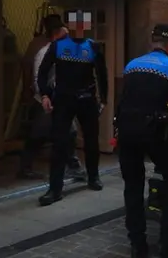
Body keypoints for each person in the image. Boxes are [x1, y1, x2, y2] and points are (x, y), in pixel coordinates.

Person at [115, 24, 168, 258]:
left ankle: (138, 245)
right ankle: (167, 244)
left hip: (127, 131)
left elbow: (124, 99)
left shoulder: (131, 65)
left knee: (132, 187)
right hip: (157, 133)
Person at [36, 18, 109, 206]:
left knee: (91, 140)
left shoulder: (92, 46)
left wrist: (104, 99)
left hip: (87, 99)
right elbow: (43, 72)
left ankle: (93, 177)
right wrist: (45, 95)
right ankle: (55, 189)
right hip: (63, 100)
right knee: (59, 143)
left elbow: (102, 74)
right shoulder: (57, 46)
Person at [19, 15, 83, 180]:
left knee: (69, 132)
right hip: (48, 100)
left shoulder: (58, 50)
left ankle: (74, 166)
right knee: (40, 134)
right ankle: (25, 167)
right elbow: (39, 76)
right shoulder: (44, 52)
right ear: (56, 34)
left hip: (58, 99)